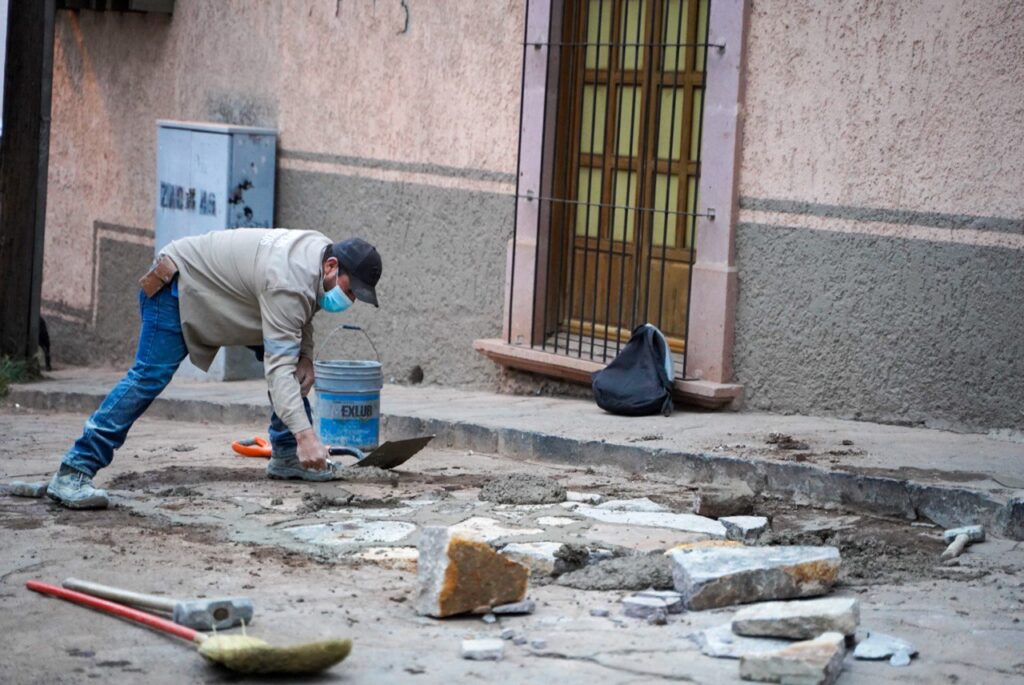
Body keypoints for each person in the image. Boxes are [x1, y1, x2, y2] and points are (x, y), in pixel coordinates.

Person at [45, 228, 382, 509]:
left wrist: (305, 355)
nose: (349, 301)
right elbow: (279, 364)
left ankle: (285, 458)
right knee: (148, 377)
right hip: (177, 289)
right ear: (333, 265)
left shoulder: (317, 254)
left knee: (294, 364)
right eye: (350, 291)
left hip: (228, 296)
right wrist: (307, 437)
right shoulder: (288, 278)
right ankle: (74, 470)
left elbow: (301, 312)